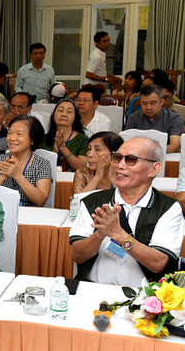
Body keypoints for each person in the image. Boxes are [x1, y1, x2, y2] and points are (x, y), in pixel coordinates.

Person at [70, 137, 183, 285]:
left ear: (154, 169)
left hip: (142, 297)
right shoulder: (93, 202)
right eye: (117, 158)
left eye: (131, 159)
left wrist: (119, 235)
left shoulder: (168, 208)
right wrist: (100, 234)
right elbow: (78, 255)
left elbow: (158, 263)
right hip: (94, 288)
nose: (120, 165)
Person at [0, 116, 52, 207]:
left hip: (29, 215)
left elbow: (40, 200)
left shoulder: (42, 164)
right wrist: (2, 177)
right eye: (10, 133)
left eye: (19, 134)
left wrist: (17, 176)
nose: (12, 138)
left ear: (32, 139)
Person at [125, 84, 182, 153]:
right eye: (144, 103)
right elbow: (126, 144)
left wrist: (149, 152)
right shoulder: (134, 118)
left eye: (153, 103)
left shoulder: (174, 118)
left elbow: (174, 146)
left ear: (162, 102)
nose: (148, 107)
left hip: (166, 156)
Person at [39, 98, 89, 172]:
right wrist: (55, 151)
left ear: (75, 117)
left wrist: (63, 148)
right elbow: (39, 169)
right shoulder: (43, 139)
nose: (64, 114)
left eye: (69, 112)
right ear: (53, 115)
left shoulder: (82, 139)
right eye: (60, 110)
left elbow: (82, 169)